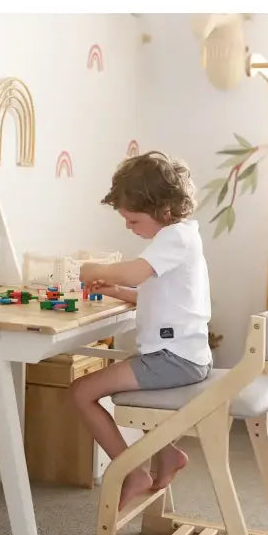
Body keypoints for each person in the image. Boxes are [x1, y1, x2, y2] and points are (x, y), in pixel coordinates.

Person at [71, 151, 213, 511]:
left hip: (174, 360)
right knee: (115, 385)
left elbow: (135, 272)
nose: (128, 226)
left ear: (162, 209)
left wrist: (90, 268)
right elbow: (153, 293)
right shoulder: (179, 238)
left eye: (132, 220)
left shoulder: (174, 238)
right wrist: (115, 291)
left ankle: (132, 470)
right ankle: (167, 456)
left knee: (81, 392)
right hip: (182, 356)